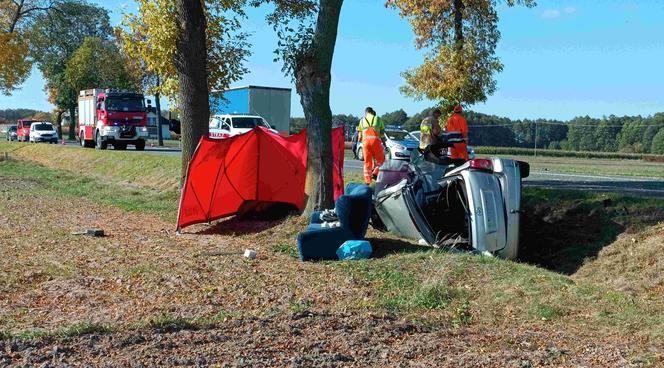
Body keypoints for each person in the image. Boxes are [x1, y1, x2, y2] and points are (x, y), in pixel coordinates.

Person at [357, 107, 385, 185]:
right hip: (376, 142)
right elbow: (382, 133)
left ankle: (367, 181)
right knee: (381, 160)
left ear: (366, 113)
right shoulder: (378, 119)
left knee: (367, 162)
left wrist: (360, 141)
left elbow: (359, 137)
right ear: (372, 112)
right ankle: (375, 173)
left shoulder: (362, 120)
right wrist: (384, 143)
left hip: (366, 143)